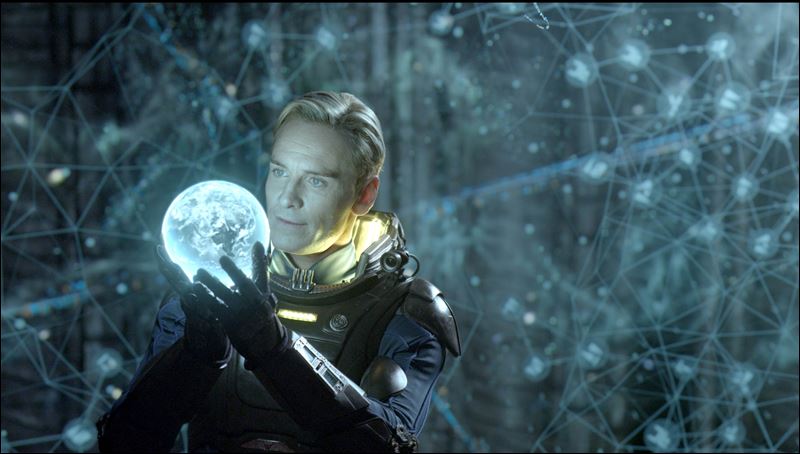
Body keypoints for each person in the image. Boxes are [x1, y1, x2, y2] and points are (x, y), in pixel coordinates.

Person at [96, 91, 461, 452]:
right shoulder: (204, 294)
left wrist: (273, 348)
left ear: (364, 194)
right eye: (279, 171)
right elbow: (123, 444)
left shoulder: (407, 313)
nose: (288, 198)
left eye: (316, 180)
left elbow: (391, 445)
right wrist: (195, 356)